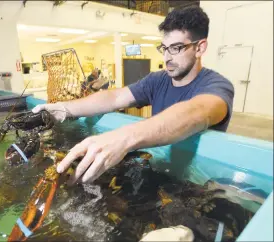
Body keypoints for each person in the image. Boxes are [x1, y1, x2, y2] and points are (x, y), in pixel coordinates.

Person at [32, 6, 234, 185]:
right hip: (157, 171)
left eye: (176, 48)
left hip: (193, 182)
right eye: (164, 48)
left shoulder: (217, 86)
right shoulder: (158, 80)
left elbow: (197, 112)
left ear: (200, 47)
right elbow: (114, 97)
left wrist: (124, 139)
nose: (166, 57)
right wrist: (63, 108)